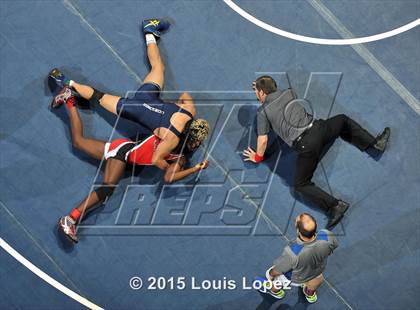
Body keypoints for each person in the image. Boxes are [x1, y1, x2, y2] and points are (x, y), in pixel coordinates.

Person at [49, 18, 210, 172]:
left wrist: (170, 106)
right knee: (98, 97)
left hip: (148, 96)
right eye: (196, 140)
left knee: (158, 68)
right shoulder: (172, 139)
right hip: (132, 109)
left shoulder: (189, 110)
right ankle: (67, 83)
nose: (197, 144)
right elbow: (155, 159)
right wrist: (169, 169)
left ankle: (149, 31)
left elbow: (185, 95)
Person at [52, 88, 209, 243]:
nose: (198, 144)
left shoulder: (179, 150)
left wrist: (192, 167)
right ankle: (70, 219)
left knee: (78, 142)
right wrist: (194, 168)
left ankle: (69, 99)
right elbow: (166, 173)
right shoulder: (173, 143)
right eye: (197, 140)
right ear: (189, 135)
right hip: (124, 153)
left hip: (124, 150)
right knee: (108, 188)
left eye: (200, 141)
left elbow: (169, 176)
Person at [243, 76, 390, 230]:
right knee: (342, 120)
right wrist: (262, 86)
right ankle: (375, 144)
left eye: (257, 92)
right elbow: (271, 92)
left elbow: (263, 140)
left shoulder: (262, 113)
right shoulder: (288, 93)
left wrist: (258, 157)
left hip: (307, 147)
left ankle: (335, 207)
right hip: (320, 130)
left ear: (260, 92)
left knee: (300, 185)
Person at [260, 213, 338, 303]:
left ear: (298, 230)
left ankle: (276, 292)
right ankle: (310, 294)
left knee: (279, 281)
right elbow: (334, 245)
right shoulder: (327, 235)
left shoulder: (293, 252)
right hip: (316, 271)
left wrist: (270, 274)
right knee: (315, 281)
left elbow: (279, 269)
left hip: (296, 277)